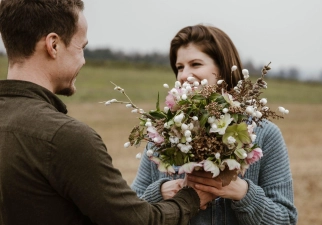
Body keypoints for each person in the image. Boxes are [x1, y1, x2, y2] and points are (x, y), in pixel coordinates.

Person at [0, 1, 214, 225]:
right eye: (81, 48)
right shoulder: (63, 137)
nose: (83, 60)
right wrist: (191, 197)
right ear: (53, 45)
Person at [131, 25, 298, 225]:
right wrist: (159, 192)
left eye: (195, 64)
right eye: (180, 67)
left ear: (222, 68)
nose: (184, 75)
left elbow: (286, 220)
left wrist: (244, 193)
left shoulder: (265, 135)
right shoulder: (163, 134)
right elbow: (130, 214)